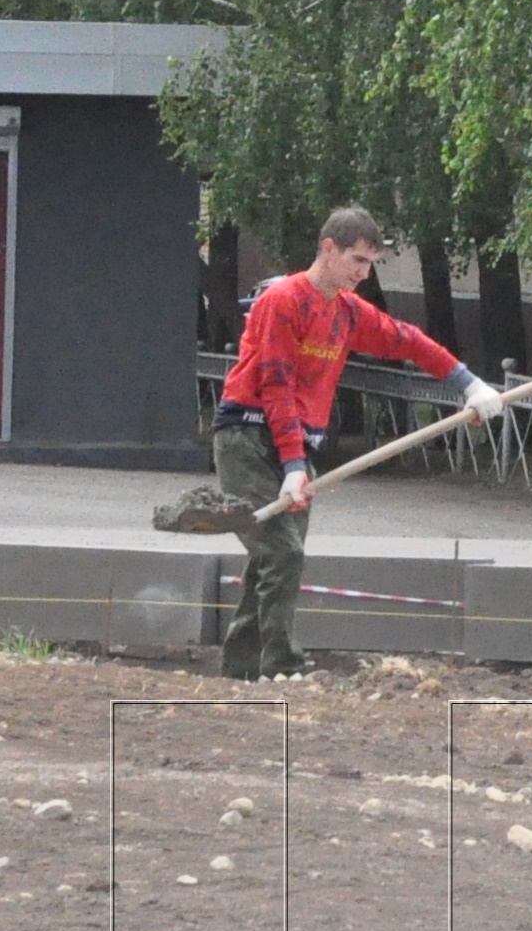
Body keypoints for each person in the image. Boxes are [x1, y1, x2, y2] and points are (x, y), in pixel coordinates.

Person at [212, 208, 508, 681]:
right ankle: (282, 668)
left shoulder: (347, 311)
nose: (362, 273)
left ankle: (244, 668)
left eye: (370, 264)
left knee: (273, 558)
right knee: (282, 553)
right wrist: (292, 464)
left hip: (294, 447)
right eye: (356, 260)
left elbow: (406, 340)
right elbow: (276, 384)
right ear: (328, 248)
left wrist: (468, 384)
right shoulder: (284, 301)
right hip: (247, 435)